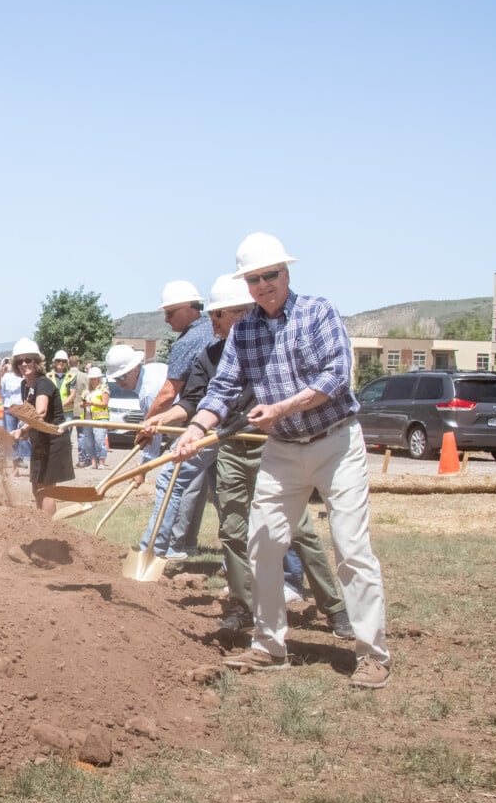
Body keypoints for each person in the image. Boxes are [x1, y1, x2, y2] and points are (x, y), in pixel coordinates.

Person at [175, 233, 391, 689]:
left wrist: (280, 408)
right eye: (253, 279)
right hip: (283, 449)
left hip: (335, 442)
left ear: (286, 273)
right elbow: (224, 386)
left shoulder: (319, 312)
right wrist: (197, 429)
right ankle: (269, 645)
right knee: (263, 544)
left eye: (269, 275)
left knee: (352, 550)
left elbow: (335, 376)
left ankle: (373, 654)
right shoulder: (246, 330)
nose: (262, 285)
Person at [150, 274, 353, 640]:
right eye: (211, 315)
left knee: (300, 531)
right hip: (231, 448)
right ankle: (242, 607)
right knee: (232, 530)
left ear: (242, 313)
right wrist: (179, 426)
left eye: (219, 315)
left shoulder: (270, 345)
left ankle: (334, 608)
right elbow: (198, 400)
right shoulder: (210, 356)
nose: (212, 322)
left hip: (271, 447)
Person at [136, 280, 216, 558]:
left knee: (171, 477)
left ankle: (152, 551)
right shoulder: (212, 334)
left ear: (188, 310)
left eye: (170, 313)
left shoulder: (191, 340)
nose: (167, 320)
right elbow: (191, 398)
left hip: (209, 423)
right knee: (222, 493)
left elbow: (170, 391)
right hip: (214, 419)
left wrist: (148, 422)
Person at [10, 339, 74, 515]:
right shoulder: (25, 384)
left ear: (36, 362)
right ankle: (41, 526)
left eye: (28, 360)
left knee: (46, 489)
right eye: (20, 361)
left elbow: (40, 412)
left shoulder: (43, 383)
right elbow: (28, 412)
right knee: (36, 486)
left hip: (53, 441)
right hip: (39, 441)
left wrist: (23, 429)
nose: (24, 364)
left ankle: (49, 530)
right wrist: (24, 431)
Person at [0, 356, 31, 471]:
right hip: (9, 408)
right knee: (11, 436)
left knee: (23, 434)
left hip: (21, 408)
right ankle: (15, 465)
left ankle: (23, 457)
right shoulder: (6, 376)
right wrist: (0, 373)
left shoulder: (23, 376)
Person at [79, 367, 110, 469]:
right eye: (91, 379)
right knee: (89, 442)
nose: (92, 381)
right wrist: (83, 404)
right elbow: (81, 403)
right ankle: (93, 463)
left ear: (99, 379)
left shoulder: (104, 389)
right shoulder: (86, 391)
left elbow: (105, 403)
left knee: (99, 440)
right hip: (88, 419)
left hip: (100, 418)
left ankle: (101, 462)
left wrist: (92, 403)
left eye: (94, 378)